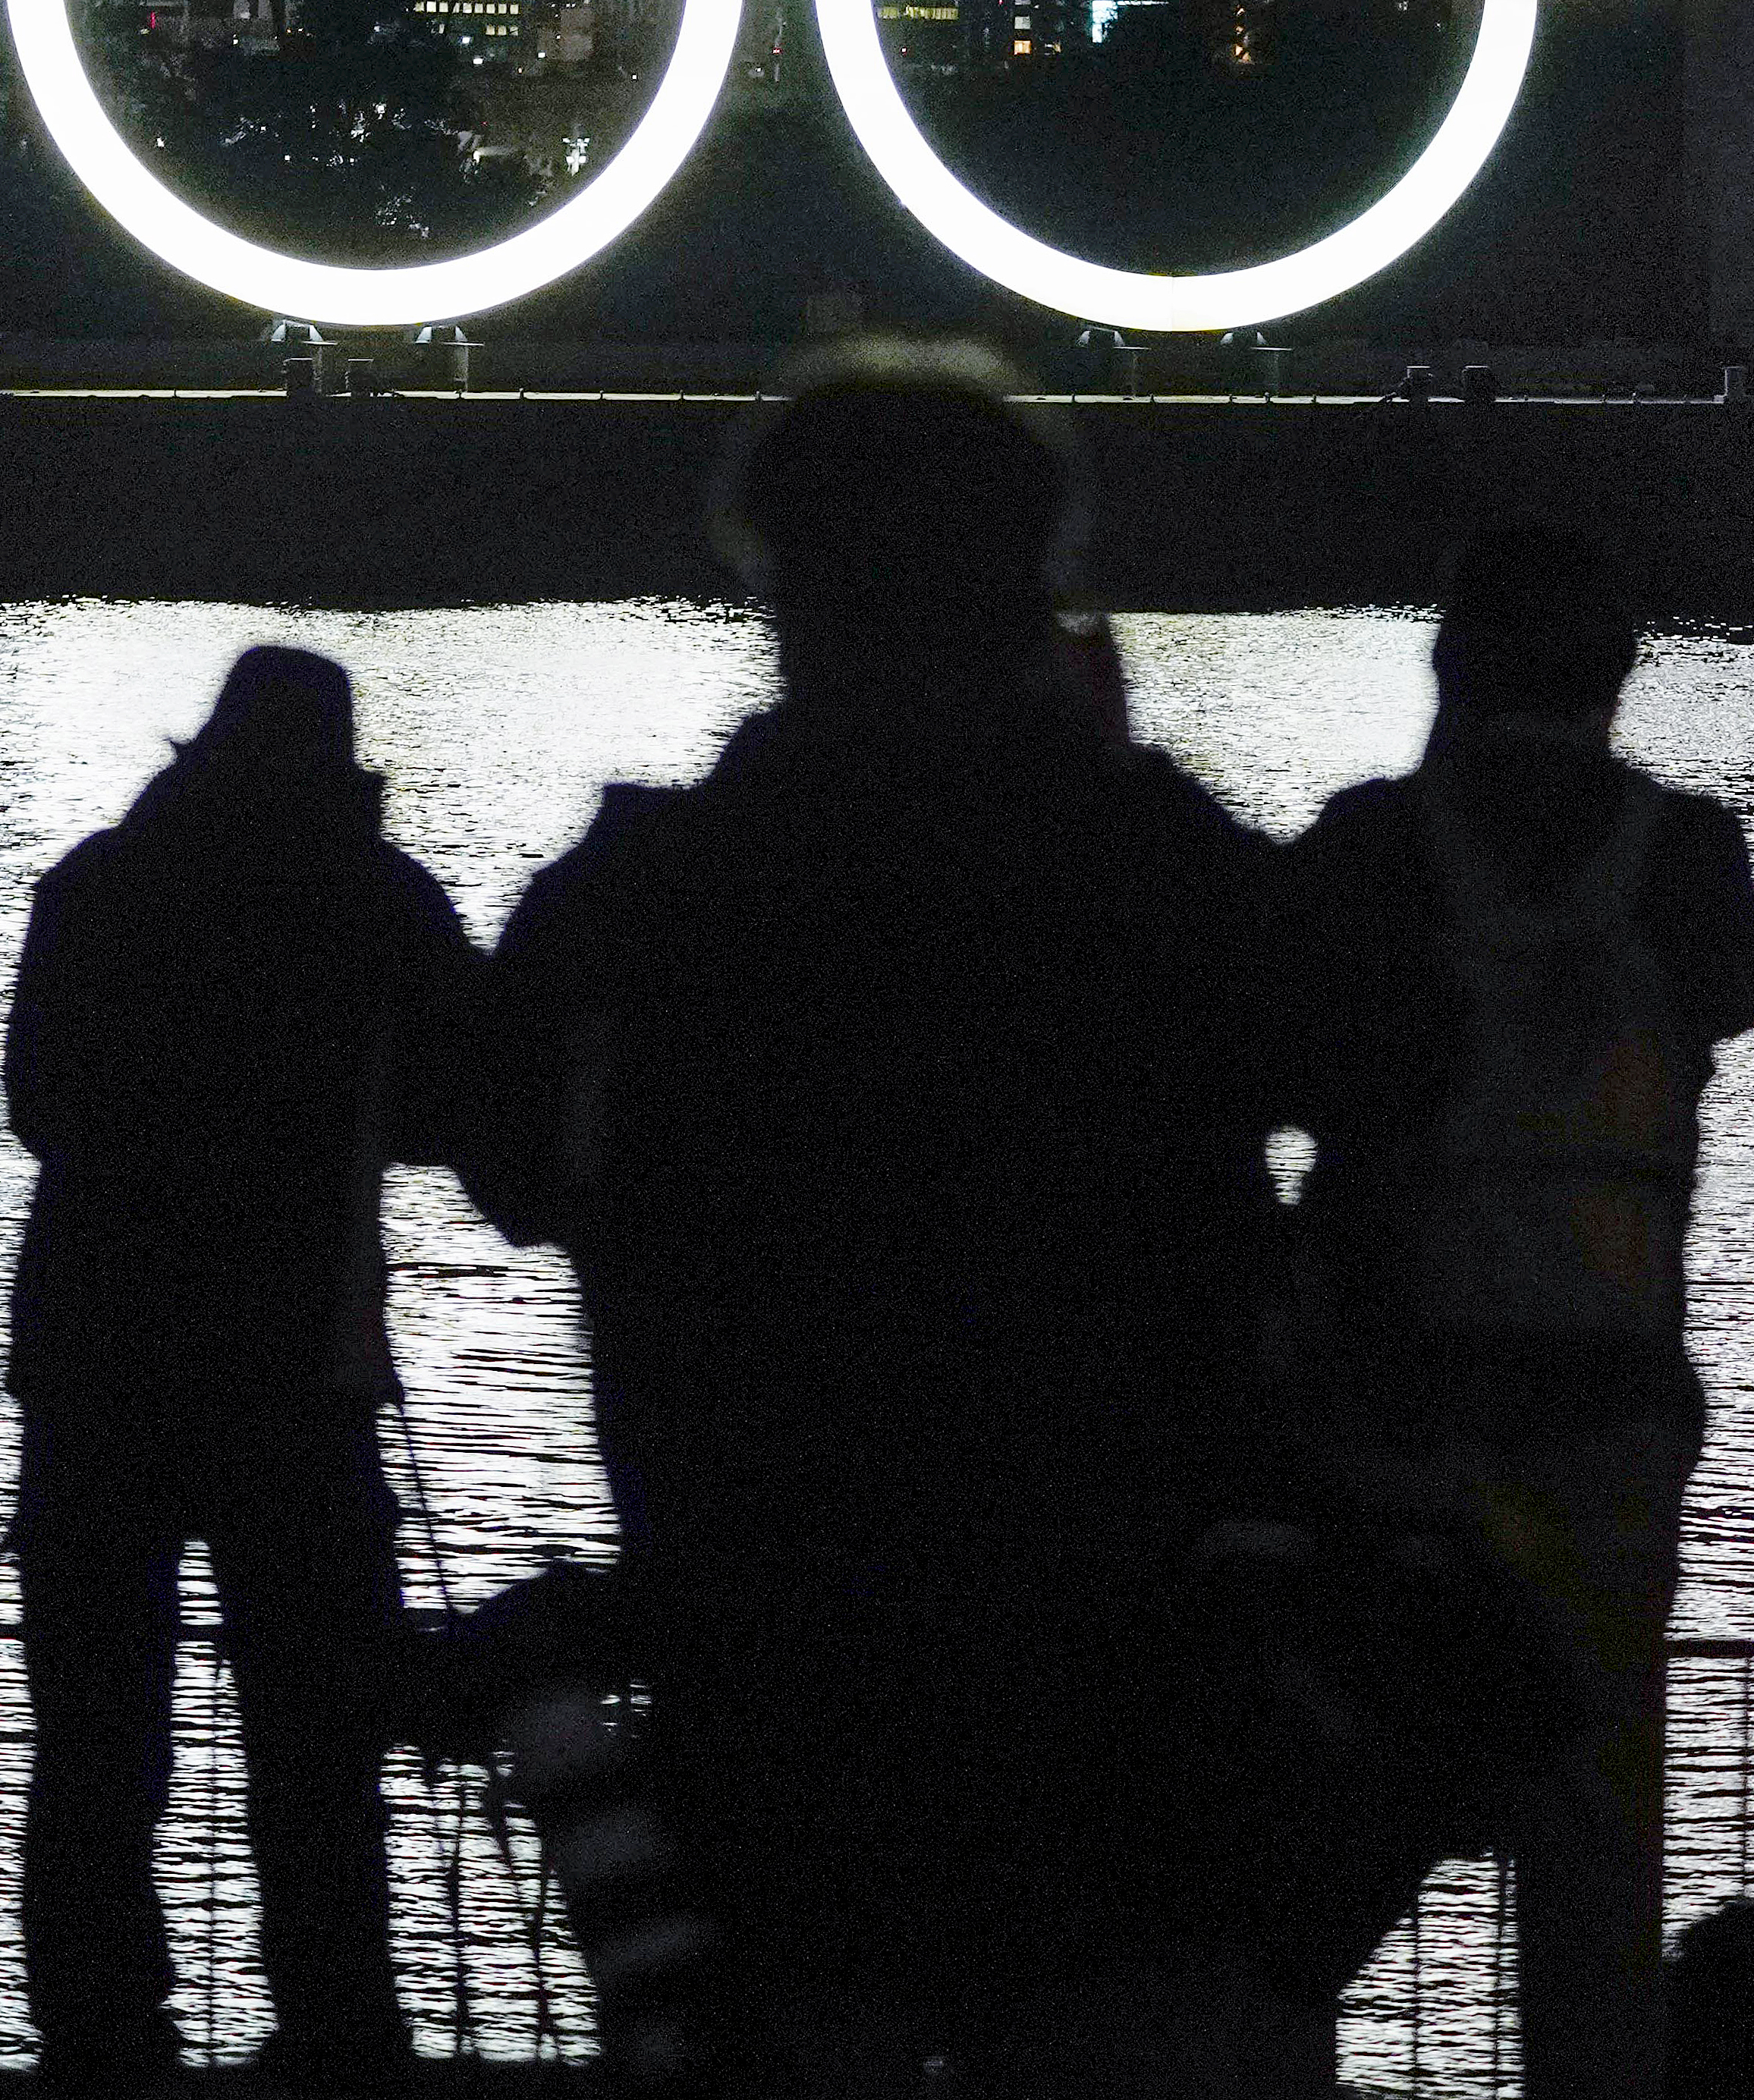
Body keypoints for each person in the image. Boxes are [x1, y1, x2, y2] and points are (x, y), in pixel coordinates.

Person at [463, 344, 1366, 2095]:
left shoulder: (656, 890)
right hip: (1120, 1668)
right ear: (1033, 585)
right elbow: (1376, 1057)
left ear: (779, 585)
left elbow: (507, 1157)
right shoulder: (1144, 864)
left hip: (773, 1655)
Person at [1278, 520, 1754, 2100]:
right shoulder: (1685, 857)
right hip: (1609, 1409)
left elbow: (1278, 1061)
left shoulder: (1368, 851)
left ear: (1450, 667)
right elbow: (1740, 992)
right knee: (1592, 1837)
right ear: (1617, 679)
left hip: (1388, 1415)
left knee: (1313, 1819)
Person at [3, 643, 479, 2092]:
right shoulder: (370, 897)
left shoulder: (96, 882)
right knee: (316, 1735)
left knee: (92, 1736)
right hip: (298, 1369)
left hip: (97, 1359)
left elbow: (38, 1104)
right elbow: (465, 1094)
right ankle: (335, 2028)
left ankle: (100, 2031)